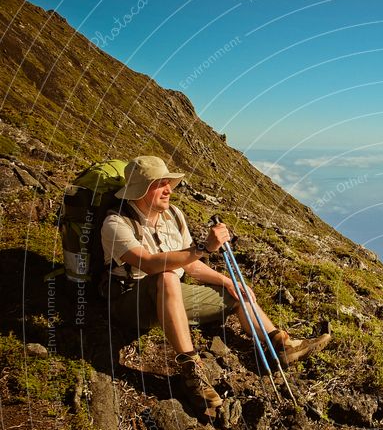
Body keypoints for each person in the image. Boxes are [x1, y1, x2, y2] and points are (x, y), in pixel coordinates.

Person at [100, 155, 330, 409]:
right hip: (130, 304)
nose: (169, 189)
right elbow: (150, 264)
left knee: (232, 293)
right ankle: (191, 372)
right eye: (160, 184)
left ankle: (280, 344)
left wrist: (227, 281)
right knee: (165, 276)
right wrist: (204, 247)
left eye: (168, 182)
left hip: (171, 296)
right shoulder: (115, 223)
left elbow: (188, 263)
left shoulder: (173, 216)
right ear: (140, 190)